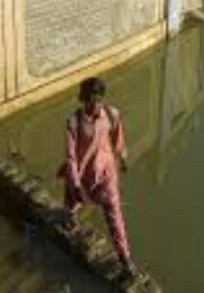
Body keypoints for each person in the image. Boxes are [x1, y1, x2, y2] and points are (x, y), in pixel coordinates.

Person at [59, 77, 138, 277]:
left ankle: (124, 257)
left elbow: (118, 139)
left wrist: (123, 157)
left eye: (94, 100)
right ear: (83, 99)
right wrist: (75, 182)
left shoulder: (112, 115)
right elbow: (70, 156)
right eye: (87, 100)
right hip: (82, 174)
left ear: (101, 98)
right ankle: (69, 216)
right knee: (72, 198)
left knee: (114, 214)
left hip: (106, 175)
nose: (91, 104)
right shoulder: (73, 122)